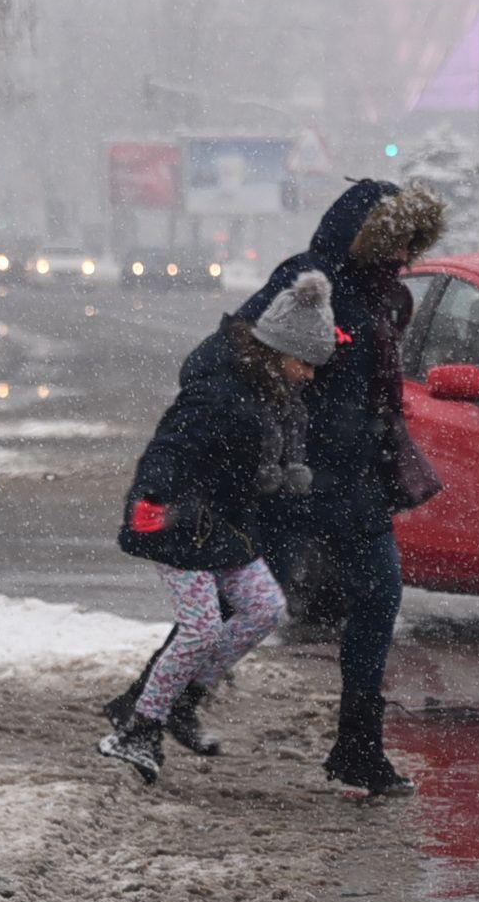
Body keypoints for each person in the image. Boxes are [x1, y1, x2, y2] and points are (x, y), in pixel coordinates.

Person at [243, 179, 448, 798]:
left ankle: (358, 747)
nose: (401, 258)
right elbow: (240, 354)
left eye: (410, 247)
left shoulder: (388, 298)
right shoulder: (307, 279)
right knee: (247, 605)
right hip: (294, 480)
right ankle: (153, 707)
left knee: (380, 597)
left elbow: (374, 388)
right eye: (393, 243)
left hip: (356, 483)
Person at [98, 274, 332, 784]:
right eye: (306, 363)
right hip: (181, 525)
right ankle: (138, 729)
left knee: (265, 609)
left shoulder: (276, 393)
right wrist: (155, 497)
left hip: (223, 527)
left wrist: (283, 475)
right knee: (200, 628)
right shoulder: (222, 390)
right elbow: (170, 446)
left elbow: (265, 451)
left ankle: (184, 700)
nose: (311, 375)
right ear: (280, 350)